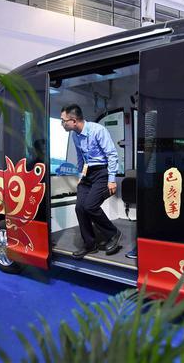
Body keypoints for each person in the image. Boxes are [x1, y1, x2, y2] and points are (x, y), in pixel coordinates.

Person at [61, 104, 122, 259]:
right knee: (80, 208)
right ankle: (90, 244)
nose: (63, 124)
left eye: (64, 121)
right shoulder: (75, 135)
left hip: (102, 172)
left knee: (90, 206)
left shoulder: (98, 130)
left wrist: (112, 180)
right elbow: (81, 158)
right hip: (88, 174)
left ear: (73, 121)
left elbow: (112, 155)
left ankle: (113, 233)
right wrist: (81, 177)